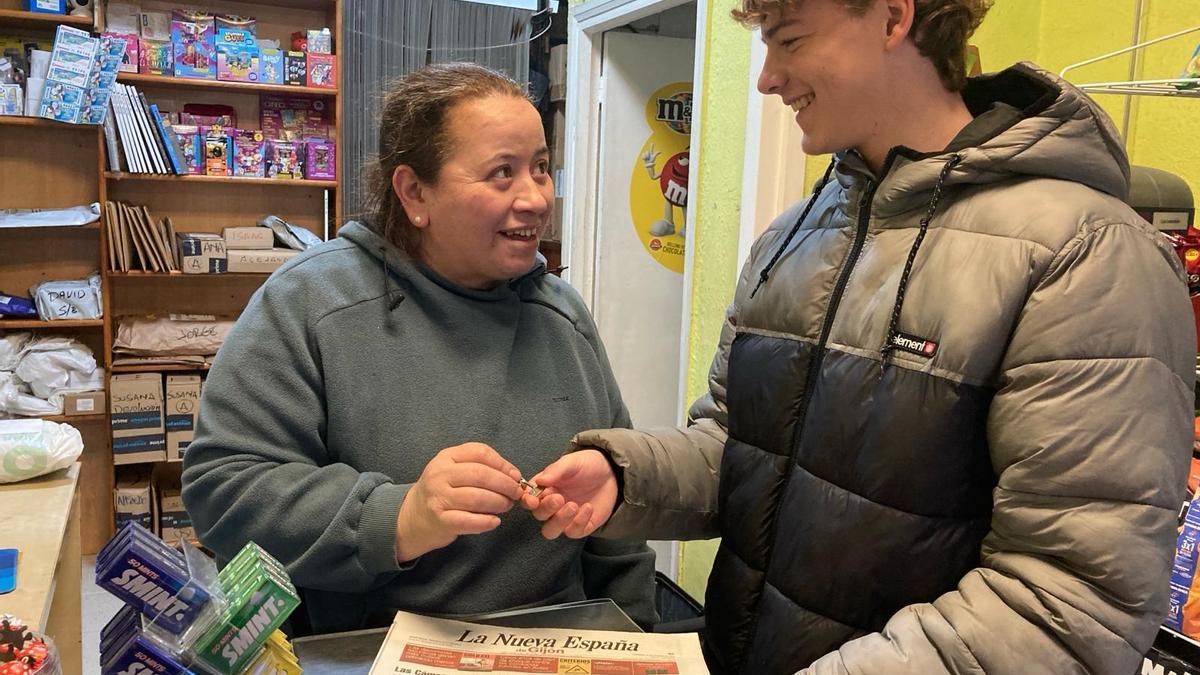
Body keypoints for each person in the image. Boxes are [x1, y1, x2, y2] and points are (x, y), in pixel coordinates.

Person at [523, 0, 1196, 673]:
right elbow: (740, 447)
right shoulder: (792, 238)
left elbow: (1066, 603)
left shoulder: (1086, 254)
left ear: (893, 18)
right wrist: (624, 475)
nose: (767, 78)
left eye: (787, 39)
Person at [181, 62, 657, 635]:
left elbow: (616, 535)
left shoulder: (564, 315)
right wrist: (398, 518)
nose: (535, 198)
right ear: (414, 192)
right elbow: (223, 491)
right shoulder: (309, 303)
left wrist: (642, 638)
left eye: (540, 168)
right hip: (368, 650)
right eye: (502, 173)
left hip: (554, 647)